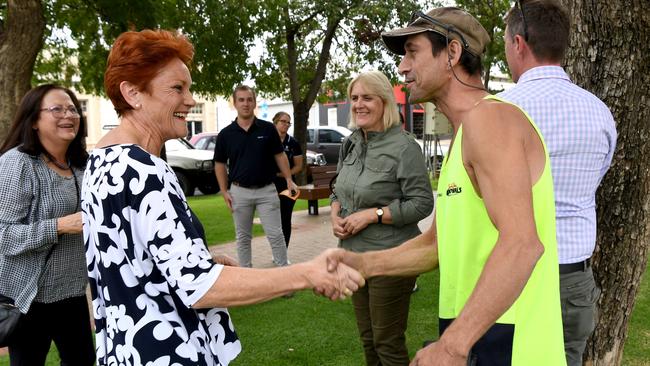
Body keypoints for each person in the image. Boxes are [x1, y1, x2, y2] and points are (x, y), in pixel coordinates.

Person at [81, 29, 364, 365]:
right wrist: (307, 273)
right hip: (167, 352)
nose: (189, 99)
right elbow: (200, 287)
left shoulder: (102, 160)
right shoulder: (144, 171)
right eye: (177, 88)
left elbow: (131, 259)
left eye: (188, 88)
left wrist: (202, 259)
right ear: (132, 93)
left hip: (124, 349)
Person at [324, 7, 567, 365]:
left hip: (510, 341)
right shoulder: (464, 134)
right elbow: (436, 244)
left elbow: (522, 245)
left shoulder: (490, 119)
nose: (403, 67)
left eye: (412, 52)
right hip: (479, 330)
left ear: (452, 53)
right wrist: (360, 263)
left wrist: (453, 345)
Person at [498, 1, 617, 365]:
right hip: (572, 278)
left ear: (519, 43)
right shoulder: (599, 112)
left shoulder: (499, 110)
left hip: (510, 275)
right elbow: (597, 177)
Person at [330, 70, 434, 366]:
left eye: (367, 97)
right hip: (352, 257)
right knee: (368, 338)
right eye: (354, 98)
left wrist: (373, 215)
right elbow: (338, 189)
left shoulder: (404, 148)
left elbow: (422, 204)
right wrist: (336, 213)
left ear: (385, 102)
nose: (359, 104)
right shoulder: (350, 143)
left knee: (386, 342)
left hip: (393, 257)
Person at [0, 84, 95, 365]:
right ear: (33, 121)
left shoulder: (81, 165)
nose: (69, 115)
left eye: (73, 109)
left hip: (72, 293)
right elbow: (3, 235)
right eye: (57, 109)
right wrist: (58, 226)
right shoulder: (17, 163)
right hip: (28, 298)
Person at [213, 86, 297, 268]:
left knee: (276, 234)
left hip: (267, 191)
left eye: (249, 99)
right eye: (241, 100)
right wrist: (223, 190)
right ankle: (246, 278)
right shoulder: (226, 134)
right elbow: (219, 163)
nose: (245, 103)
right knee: (243, 238)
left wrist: (289, 179)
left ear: (254, 102)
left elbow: (280, 156)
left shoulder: (267, 129)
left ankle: (286, 278)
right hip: (238, 192)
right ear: (235, 103)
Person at [272, 111, 303, 247]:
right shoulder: (268, 141)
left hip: (288, 185)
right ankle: (276, 250)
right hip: (270, 186)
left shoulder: (293, 143)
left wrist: (285, 175)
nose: (286, 124)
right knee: (273, 221)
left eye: (288, 122)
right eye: (283, 121)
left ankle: (284, 250)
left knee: (285, 218)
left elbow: (299, 166)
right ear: (275, 122)